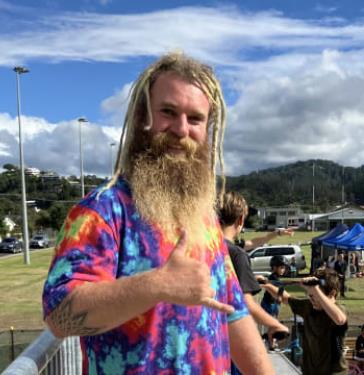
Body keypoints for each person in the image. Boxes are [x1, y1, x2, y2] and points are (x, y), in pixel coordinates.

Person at [41, 53, 274, 374]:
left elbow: (232, 312)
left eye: (195, 119)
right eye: (168, 112)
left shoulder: (203, 217)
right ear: (142, 118)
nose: (181, 129)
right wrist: (157, 285)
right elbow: (58, 317)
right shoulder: (102, 210)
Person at [217, 190, 290, 363]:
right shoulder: (238, 255)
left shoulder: (206, 247)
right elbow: (246, 303)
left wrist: (276, 233)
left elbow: (256, 242)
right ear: (241, 220)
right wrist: (275, 324)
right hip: (231, 337)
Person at [266, 268, 349, 375]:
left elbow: (340, 319)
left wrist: (315, 289)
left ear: (332, 293)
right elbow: (286, 298)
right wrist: (266, 284)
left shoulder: (339, 310)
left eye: (316, 296)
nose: (312, 299)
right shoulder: (308, 306)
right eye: (310, 296)